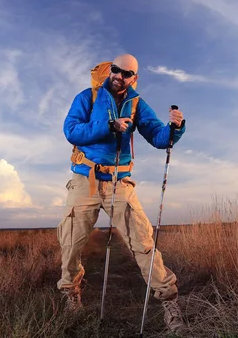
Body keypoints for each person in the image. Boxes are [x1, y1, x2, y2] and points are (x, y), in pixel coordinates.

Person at [57, 54, 187, 334]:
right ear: (111, 70)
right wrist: (108, 127)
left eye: (127, 73)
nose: (120, 76)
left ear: (134, 78)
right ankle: (71, 293)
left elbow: (157, 136)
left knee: (143, 243)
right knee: (70, 243)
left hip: (120, 182)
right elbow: (71, 130)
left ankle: (169, 302)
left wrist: (174, 128)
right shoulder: (88, 97)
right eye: (116, 70)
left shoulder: (137, 103)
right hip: (85, 181)